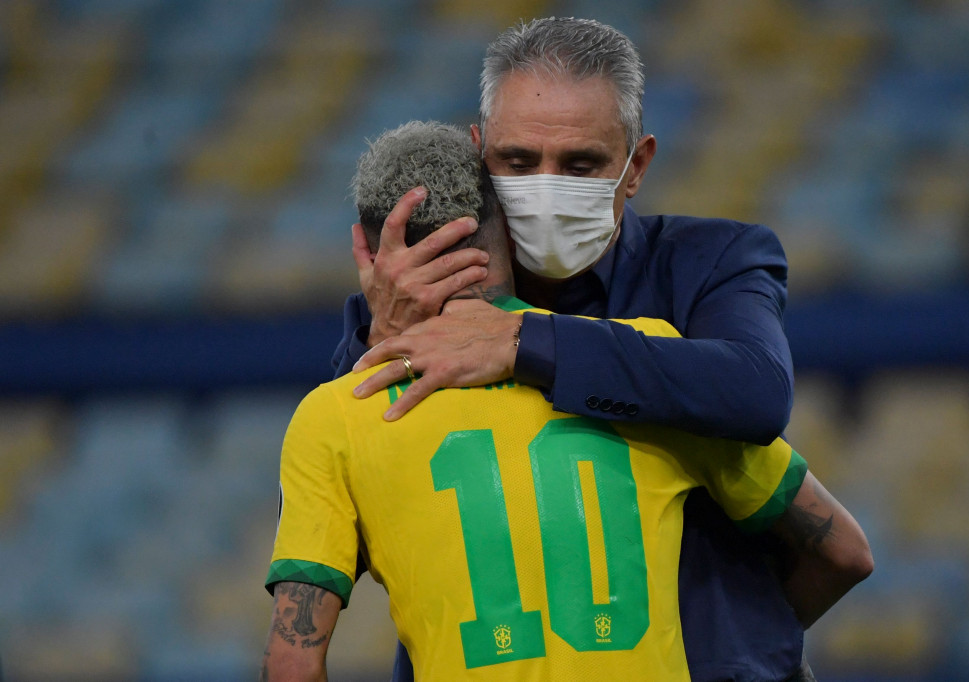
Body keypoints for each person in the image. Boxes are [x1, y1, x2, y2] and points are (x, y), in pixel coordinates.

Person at [260, 121, 872, 681]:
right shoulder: (650, 363)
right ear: (508, 223)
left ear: (369, 257)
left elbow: (292, 667)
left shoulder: (335, 415)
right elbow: (843, 552)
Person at [332, 17, 810, 682]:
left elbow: (757, 392)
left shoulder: (710, 261)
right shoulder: (411, 302)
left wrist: (523, 340)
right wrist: (385, 339)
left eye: (581, 164)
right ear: (478, 154)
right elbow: (333, 519)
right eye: (518, 162)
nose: (546, 187)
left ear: (636, 165)